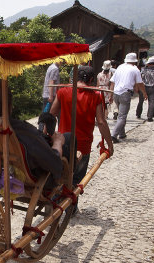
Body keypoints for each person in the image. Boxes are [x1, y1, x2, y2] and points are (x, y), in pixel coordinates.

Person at [0, 80, 71, 185]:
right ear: (10, 106)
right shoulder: (21, 131)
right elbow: (55, 164)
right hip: (32, 180)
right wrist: (58, 142)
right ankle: (72, 182)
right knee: (69, 138)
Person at [50, 66, 113, 213]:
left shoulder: (63, 91)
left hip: (64, 143)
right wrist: (110, 144)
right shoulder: (96, 95)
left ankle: (58, 203)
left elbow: (51, 113)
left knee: (62, 175)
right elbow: (102, 122)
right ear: (91, 80)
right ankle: (70, 208)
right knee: (76, 178)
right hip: (83, 145)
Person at [110, 52, 147, 143]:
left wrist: (111, 94)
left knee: (120, 115)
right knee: (122, 116)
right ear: (134, 61)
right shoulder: (135, 69)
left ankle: (122, 134)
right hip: (125, 93)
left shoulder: (120, 67)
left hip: (116, 93)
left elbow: (112, 81)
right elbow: (140, 83)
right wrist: (144, 93)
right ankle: (114, 135)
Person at [136, 57, 154, 122]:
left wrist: (137, 87)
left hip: (143, 87)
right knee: (151, 102)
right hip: (152, 88)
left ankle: (138, 114)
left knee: (141, 101)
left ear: (148, 63)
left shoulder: (143, 70)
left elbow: (139, 79)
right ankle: (149, 116)